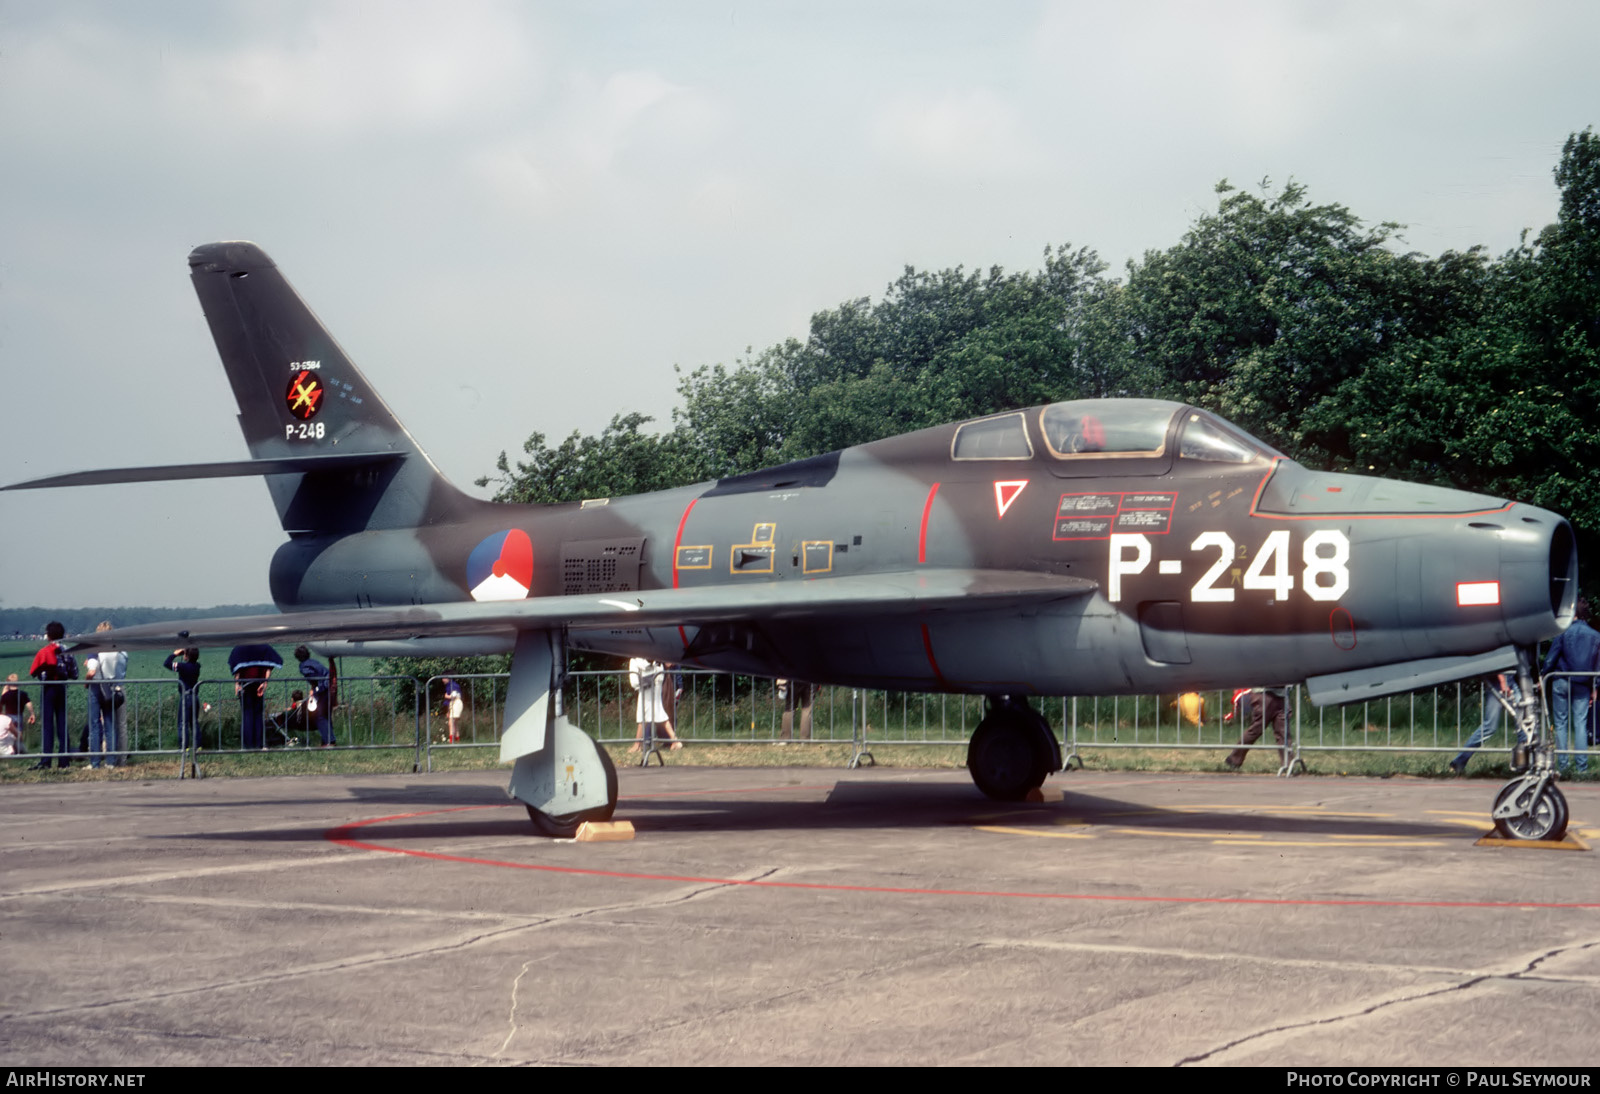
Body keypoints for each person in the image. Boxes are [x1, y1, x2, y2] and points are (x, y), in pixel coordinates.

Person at [1542, 596, 1598, 774]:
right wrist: (1596, 687)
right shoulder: (1596, 636)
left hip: (1561, 679)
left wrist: (1543, 675)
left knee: (1560, 723)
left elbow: (1551, 657)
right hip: (1583, 683)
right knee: (1580, 724)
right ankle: (1582, 768)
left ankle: (1563, 765)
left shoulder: (1563, 632)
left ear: (1573, 614)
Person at [1449, 674, 1524, 775]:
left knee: (1523, 725)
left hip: (1511, 682)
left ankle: (1523, 764)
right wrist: (1503, 681)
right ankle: (1458, 763)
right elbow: (1497, 659)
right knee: (1489, 727)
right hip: (1497, 684)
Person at [28, 622, 76, 770]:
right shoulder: (68, 651)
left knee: (47, 725)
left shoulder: (43, 652)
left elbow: (35, 672)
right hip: (61, 688)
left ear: (48, 635)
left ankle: (46, 760)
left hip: (48, 689)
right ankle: (64, 761)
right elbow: (74, 674)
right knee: (62, 724)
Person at [1223, 687, 1289, 770]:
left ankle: (1288, 764)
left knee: (1284, 732)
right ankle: (1234, 759)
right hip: (1263, 693)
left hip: (1281, 694)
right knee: (1256, 729)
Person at [93, 622, 128, 767]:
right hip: (120, 687)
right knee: (121, 725)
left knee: (107, 723)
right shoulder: (122, 652)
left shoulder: (101, 653)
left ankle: (108, 757)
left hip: (106, 688)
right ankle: (122, 758)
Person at [627, 657, 680, 752]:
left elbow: (634, 682)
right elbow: (660, 673)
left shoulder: (635, 660)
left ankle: (637, 745)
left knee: (643, 715)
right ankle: (675, 740)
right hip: (656, 684)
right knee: (660, 714)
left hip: (646, 687)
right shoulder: (654, 658)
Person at [294, 646, 335, 747]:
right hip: (328, 688)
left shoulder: (304, 666)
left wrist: (316, 689)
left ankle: (328, 741)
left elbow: (315, 678)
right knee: (326, 715)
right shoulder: (313, 662)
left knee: (319, 716)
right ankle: (329, 740)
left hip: (323, 689)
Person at [164, 648, 203, 752]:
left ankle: (184, 746)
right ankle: (198, 746)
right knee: (194, 721)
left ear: (187, 656)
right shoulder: (197, 666)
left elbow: (167, 663)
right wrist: (186, 653)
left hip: (185, 696)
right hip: (195, 696)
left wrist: (175, 654)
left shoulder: (183, 667)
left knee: (183, 722)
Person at [235, 663, 271, 751]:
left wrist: (236, 684)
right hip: (259, 683)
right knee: (258, 715)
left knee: (247, 715)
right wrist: (265, 683)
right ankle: (259, 744)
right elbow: (268, 668)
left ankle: (248, 745)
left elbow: (237, 668)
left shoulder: (241, 652)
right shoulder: (262, 652)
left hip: (245, 684)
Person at [0, 675, 35, 743]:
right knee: (19, 732)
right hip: (19, 715)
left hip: (9, 716)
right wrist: (32, 714)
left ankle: (12, 748)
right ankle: (19, 747)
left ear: (8, 684)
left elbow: (1, 703)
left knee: (10, 733)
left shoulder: (6, 695)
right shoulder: (22, 694)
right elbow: (29, 704)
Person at [778, 679, 814, 743]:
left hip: (793, 678)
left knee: (789, 709)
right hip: (810, 678)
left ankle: (785, 739)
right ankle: (805, 739)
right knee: (807, 710)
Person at [441, 677, 463, 742]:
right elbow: (450, 701)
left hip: (456, 703)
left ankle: (451, 741)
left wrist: (446, 696)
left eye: (444, 678)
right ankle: (457, 740)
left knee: (451, 722)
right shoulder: (448, 686)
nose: (442, 680)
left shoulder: (453, 685)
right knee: (454, 723)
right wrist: (448, 711)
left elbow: (454, 696)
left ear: (448, 678)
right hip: (453, 703)